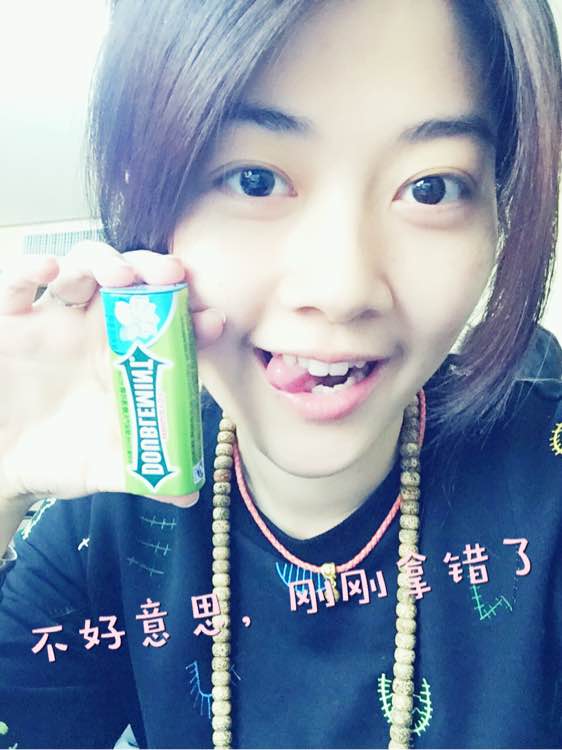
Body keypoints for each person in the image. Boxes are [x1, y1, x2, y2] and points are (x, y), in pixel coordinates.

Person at [0, 0, 561, 748]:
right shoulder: (106, 519)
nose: (342, 288)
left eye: (431, 187)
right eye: (255, 179)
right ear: (145, 196)